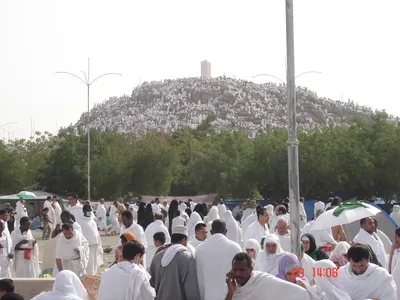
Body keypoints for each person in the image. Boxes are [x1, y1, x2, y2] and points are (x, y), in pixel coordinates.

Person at [225, 252, 309, 300]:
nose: (237, 274)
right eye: (235, 270)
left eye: (242, 270)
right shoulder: (230, 286)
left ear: (250, 269)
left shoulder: (263, 281)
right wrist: (230, 292)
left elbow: (298, 292)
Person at [150, 225, 200, 300]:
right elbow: (191, 288)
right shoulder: (187, 257)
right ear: (184, 240)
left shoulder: (158, 256)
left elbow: (152, 282)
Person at [196, 220, 241, 300]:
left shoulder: (200, 249)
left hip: (207, 296)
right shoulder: (235, 248)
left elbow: (199, 278)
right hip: (230, 296)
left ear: (211, 231)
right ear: (226, 231)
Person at [80, 204, 102, 275]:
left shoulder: (92, 220)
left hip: (94, 244)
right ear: (84, 211)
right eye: (88, 211)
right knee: (89, 263)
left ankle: (93, 274)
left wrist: (99, 243)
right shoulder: (80, 221)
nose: (89, 212)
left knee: (94, 262)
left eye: (90, 210)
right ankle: (89, 275)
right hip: (87, 246)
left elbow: (96, 233)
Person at [389, 227, 400, 300]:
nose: (395, 239)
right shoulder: (396, 250)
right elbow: (390, 267)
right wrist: (392, 252)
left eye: (397, 237)